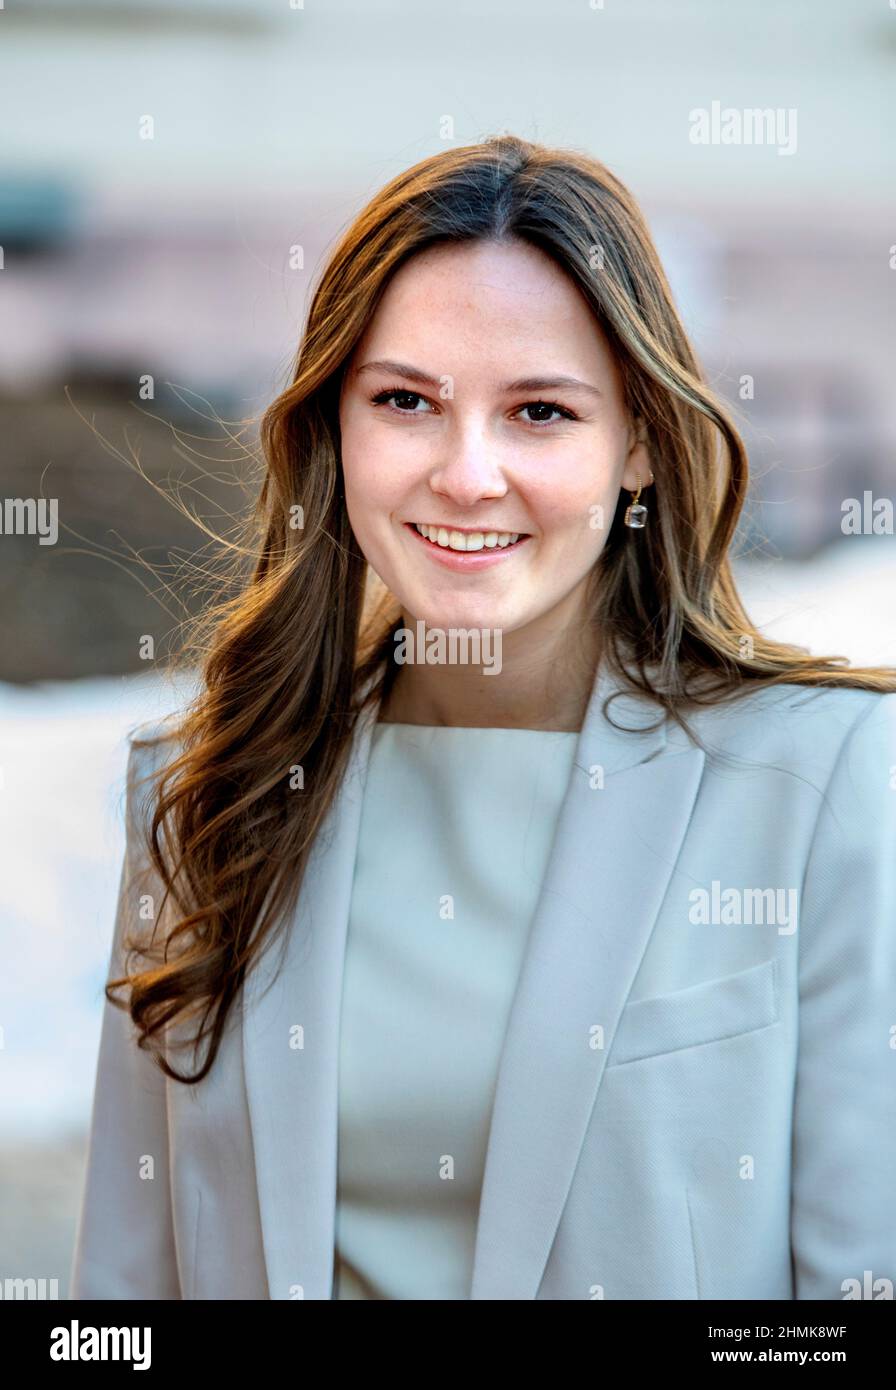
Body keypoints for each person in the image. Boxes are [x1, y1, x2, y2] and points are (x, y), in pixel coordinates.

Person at [70, 133, 896, 1301]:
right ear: (334, 434)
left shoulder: (820, 781)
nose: (465, 474)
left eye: (540, 413)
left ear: (642, 447)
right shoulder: (206, 784)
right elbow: (123, 1296)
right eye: (405, 400)